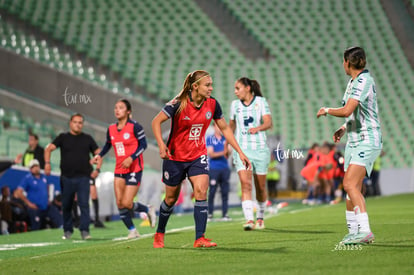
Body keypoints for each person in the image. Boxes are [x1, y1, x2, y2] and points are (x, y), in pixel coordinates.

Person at [151, 70, 251, 248]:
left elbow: (225, 129)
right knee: (171, 198)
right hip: (175, 157)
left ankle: (200, 238)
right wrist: (161, 145)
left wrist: (240, 151)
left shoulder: (212, 104)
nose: (211, 88)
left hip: (198, 156)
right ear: (195, 86)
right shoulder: (179, 103)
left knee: (201, 191)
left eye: (211, 84)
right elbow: (156, 122)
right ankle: (159, 233)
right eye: (207, 85)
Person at [317, 46, 382, 245]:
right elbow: (354, 113)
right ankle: (354, 231)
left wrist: (327, 109)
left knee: (349, 184)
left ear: (348, 62)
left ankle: (365, 231)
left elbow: (347, 110)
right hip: (354, 140)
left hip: (367, 139)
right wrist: (344, 128)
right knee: (352, 187)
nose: (342, 64)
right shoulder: (353, 82)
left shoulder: (363, 80)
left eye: (343, 61)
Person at [93, 99, 156, 239]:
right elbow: (108, 145)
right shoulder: (111, 129)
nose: (117, 110)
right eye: (115, 107)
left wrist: (132, 158)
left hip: (135, 167)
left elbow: (143, 145)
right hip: (119, 168)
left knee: (127, 202)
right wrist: (100, 155)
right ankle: (133, 230)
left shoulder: (135, 127)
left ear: (128, 111)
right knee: (120, 202)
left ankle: (148, 209)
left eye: (121, 108)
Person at [44, 113, 102, 240]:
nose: (78, 124)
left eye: (80, 122)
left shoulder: (87, 138)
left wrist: (97, 169)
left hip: (83, 177)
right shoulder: (63, 137)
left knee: (84, 204)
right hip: (67, 177)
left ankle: (85, 231)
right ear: (70, 123)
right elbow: (48, 149)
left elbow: (99, 153)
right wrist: (47, 163)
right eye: (75, 122)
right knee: (67, 205)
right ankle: (67, 230)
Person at [229, 77, 273, 230]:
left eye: (238, 88)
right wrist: (228, 144)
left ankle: (260, 216)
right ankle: (249, 220)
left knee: (260, 188)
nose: (235, 92)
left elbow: (268, 123)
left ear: (247, 88)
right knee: (245, 184)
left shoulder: (261, 102)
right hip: (242, 150)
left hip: (260, 150)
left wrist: (258, 128)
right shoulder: (234, 105)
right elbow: (231, 127)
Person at [14, 159, 62, 230]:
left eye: (37, 166)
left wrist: (48, 198)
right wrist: (28, 203)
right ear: (30, 169)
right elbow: (18, 192)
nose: (36, 168)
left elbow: (47, 187)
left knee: (58, 217)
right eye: (33, 167)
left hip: (46, 207)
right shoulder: (28, 178)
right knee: (36, 227)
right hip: (35, 207)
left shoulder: (44, 177)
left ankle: (64, 229)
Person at [206, 122, 232, 221]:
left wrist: (225, 151)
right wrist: (224, 152)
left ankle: (225, 214)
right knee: (212, 192)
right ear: (214, 127)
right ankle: (210, 214)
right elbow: (211, 154)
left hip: (225, 168)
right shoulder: (210, 138)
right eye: (217, 126)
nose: (219, 128)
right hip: (214, 169)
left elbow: (229, 152)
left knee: (225, 192)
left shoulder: (226, 138)